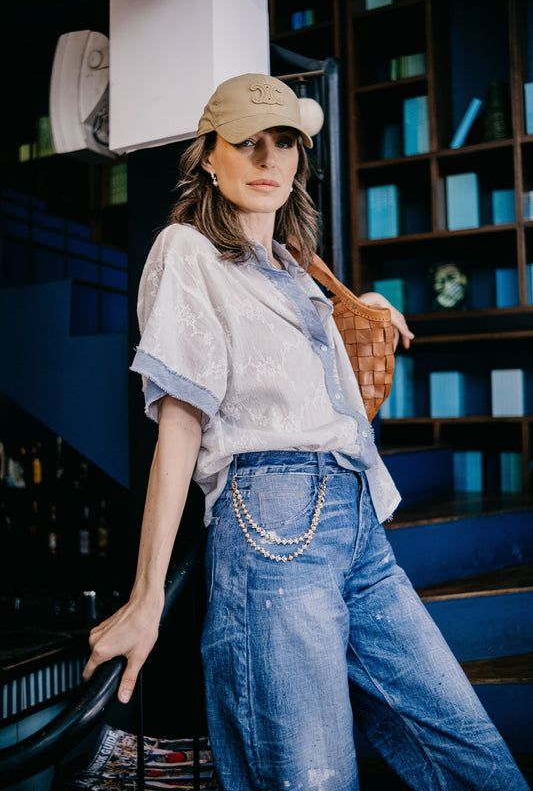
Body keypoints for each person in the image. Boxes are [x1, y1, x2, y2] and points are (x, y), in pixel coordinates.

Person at [83, 73, 530, 791]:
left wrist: (359, 308)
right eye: (248, 144)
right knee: (312, 778)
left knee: (471, 754)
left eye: (284, 143)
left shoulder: (296, 269)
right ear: (207, 157)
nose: (268, 161)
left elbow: (321, 394)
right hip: (272, 530)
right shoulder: (186, 251)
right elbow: (181, 425)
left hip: (359, 529)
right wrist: (146, 599)